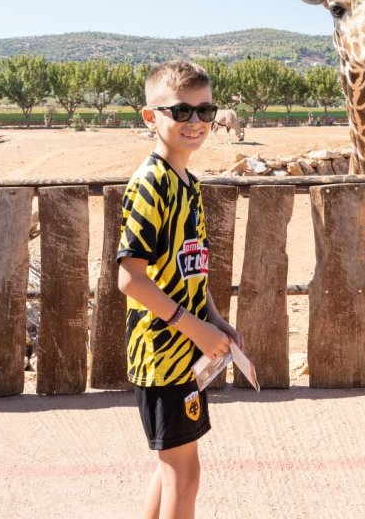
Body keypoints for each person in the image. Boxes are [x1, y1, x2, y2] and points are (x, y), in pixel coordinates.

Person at [117, 60, 243, 519]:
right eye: (181, 111)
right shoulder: (152, 185)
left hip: (185, 347)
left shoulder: (186, 182)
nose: (195, 122)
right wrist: (194, 328)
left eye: (204, 111)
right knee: (183, 476)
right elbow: (130, 278)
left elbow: (188, 270)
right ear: (151, 117)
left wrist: (214, 319)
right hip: (162, 353)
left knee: (171, 467)